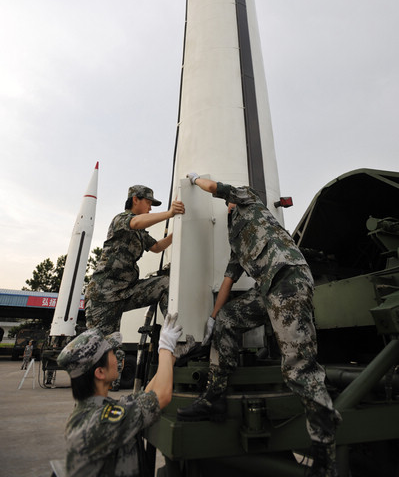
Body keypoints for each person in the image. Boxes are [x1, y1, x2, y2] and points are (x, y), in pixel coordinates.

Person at [177, 174, 341, 477]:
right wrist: (213, 319)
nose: (226, 204)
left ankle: (324, 451)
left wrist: (195, 178)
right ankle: (214, 397)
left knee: (298, 368)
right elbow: (228, 280)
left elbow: (214, 186)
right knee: (228, 319)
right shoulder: (236, 238)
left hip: (288, 280)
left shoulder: (248, 199)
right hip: (268, 291)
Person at [57, 313, 182, 477]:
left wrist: (171, 358)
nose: (118, 358)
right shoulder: (98, 422)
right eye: (112, 353)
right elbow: (162, 396)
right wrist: (165, 347)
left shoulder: (96, 409)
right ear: (100, 372)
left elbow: (148, 395)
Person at [85, 184, 185, 388]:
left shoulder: (141, 233)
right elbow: (137, 222)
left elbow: (156, 247)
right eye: (148, 202)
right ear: (135, 199)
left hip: (127, 291)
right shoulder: (121, 220)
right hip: (104, 297)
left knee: (166, 284)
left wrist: (178, 235)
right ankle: (92, 403)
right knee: (103, 353)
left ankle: (171, 339)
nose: (150, 207)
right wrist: (170, 213)